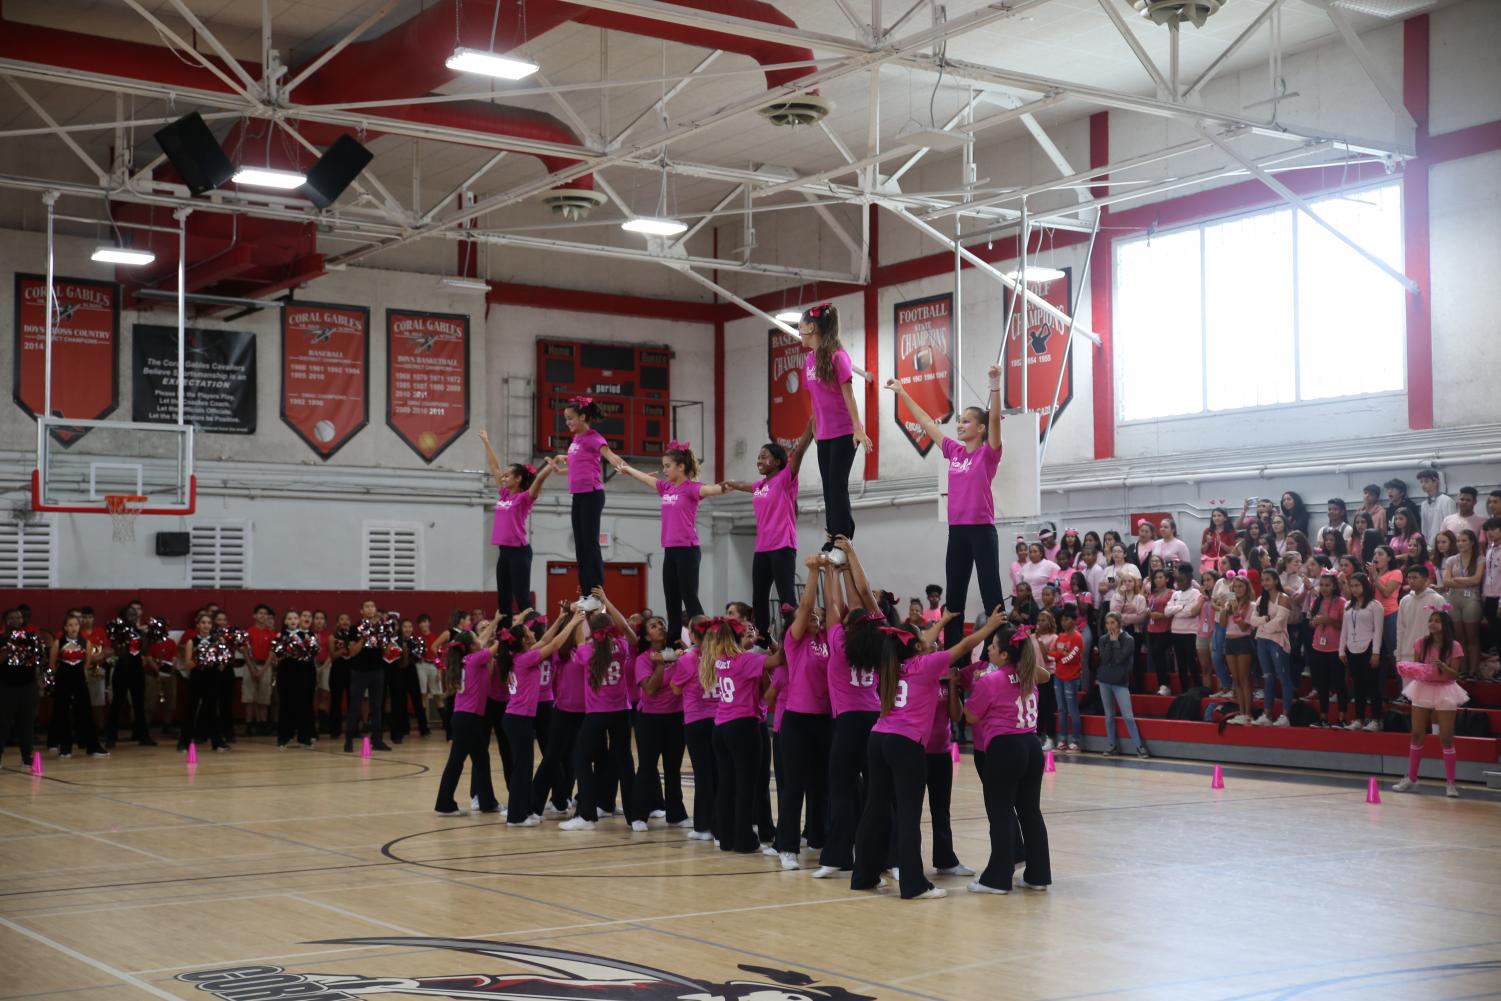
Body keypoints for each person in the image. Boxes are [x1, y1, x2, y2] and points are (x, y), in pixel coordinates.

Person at [849, 605, 1007, 900]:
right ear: (918, 646)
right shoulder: (926, 666)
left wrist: (942, 621)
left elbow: (913, 640)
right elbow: (964, 646)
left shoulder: (890, 663)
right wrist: (988, 628)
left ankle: (863, 876)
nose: (927, 638)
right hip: (906, 745)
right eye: (922, 637)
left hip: (878, 739)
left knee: (874, 810)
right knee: (909, 816)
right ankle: (914, 885)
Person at [887, 367, 1005, 650]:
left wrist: (994, 384)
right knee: (954, 599)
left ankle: (1000, 651)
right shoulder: (954, 451)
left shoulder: (988, 453)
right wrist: (903, 392)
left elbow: (996, 423)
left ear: (980, 428)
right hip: (958, 532)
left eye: (966, 421)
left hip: (982, 531)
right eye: (959, 421)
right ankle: (954, 657)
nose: (960, 425)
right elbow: (927, 423)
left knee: (992, 595)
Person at [811, 537, 881, 879]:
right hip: (877, 719)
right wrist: (851, 554)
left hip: (849, 722)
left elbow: (837, 601)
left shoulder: (838, 643)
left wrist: (830, 570)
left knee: (841, 788)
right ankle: (889, 857)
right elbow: (863, 594)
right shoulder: (880, 641)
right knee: (880, 791)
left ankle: (837, 855)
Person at [964, 628, 1053, 895]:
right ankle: (1038, 876)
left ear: (1004, 653)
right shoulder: (1029, 675)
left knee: (1000, 814)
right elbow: (1044, 675)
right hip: (1031, 746)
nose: (988, 650)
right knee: (1031, 813)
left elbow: (970, 716)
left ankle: (996, 879)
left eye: (992, 646)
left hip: (1005, 748)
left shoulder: (990, 681)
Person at [613, 442, 727, 641]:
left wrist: (724, 488)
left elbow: (709, 490)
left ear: (681, 467)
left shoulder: (691, 488)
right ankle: (674, 641)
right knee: (671, 600)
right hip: (670, 550)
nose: (664, 470)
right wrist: (628, 470)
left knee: (689, 597)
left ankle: (705, 640)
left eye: (667, 466)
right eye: (663, 466)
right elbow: (646, 479)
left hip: (688, 550)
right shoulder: (666, 488)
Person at [721, 423, 813, 639]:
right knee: (759, 598)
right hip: (762, 548)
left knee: (787, 600)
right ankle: (762, 641)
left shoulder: (785, 479)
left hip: (783, 546)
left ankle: (793, 640)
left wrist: (809, 426)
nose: (759, 461)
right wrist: (731, 484)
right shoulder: (760, 486)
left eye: (764, 457)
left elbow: (798, 453)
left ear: (778, 461)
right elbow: (747, 485)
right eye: (758, 457)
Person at [560, 589, 640, 831]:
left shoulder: (587, 649)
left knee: (581, 758)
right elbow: (626, 628)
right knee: (625, 762)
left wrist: (577, 617)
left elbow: (577, 641)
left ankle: (586, 815)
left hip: (596, 714)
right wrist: (607, 600)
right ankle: (635, 818)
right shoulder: (621, 645)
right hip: (621, 713)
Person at [773, 555, 833, 868]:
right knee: (794, 784)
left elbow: (831, 610)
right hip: (796, 720)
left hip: (825, 720)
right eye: (812, 618)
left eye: (819, 619)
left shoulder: (826, 639)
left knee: (821, 784)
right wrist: (813, 574)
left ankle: (819, 838)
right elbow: (808, 606)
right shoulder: (794, 641)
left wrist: (834, 572)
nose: (817, 621)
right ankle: (787, 847)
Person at [798, 304, 871, 549]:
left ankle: (843, 536)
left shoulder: (837, 356)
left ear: (811, 327)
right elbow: (814, 399)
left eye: (801, 326)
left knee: (837, 484)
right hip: (825, 433)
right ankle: (832, 536)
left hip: (844, 431)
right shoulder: (809, 360)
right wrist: (816, 426)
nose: (799, 331)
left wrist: (858, 428)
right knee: (828, 485)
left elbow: (848, 395)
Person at [501, 610, 579, 826]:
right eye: (528, 631)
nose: (533, 633)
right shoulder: (525, 659)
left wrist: (562, 617)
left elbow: (546, 639)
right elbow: (553, 645)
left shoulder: (520, 655)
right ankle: (516, 817)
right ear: (525, 640)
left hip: (518, 718)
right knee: (522, 768)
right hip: (518, 719)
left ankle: (525, 811)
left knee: (524, 767)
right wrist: (573, 623)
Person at [480, 430, 559, 618]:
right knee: (504, 601)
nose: (504, 478)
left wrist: (549, 467)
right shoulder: (504, 494)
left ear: (518, 479)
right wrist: (486, 441)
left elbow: (538, 480)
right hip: (504, 552)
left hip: (519, 552)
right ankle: (505, 639)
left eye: (508, 476)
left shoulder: (524, 498)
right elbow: (495, 467)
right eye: (504, 476)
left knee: (522, 599)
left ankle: (534, 632)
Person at [434, 613, 507, 817]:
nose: (480, 639)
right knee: (457, 761)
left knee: (481, 759)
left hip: (466, 717)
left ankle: (487, 802)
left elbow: (482, 639)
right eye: (476, 639)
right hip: (468, 718)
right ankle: (444, 804)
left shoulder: (468, 658)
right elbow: (497, 644)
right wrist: (512, 627)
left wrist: (495, 620)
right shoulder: (477, 659)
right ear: (471, 646)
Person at [553, 396, 623, 597]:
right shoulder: (576, 439)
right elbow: (580, 464)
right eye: (565, 419)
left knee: (590, 543)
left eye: (570, 418)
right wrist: (561, 469)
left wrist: (622, 465)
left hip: (592, 495)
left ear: (583, 417)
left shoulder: (594, 438)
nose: (567, 423)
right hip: (579, 495)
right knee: (581, 544)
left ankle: (595, 590)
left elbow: (609, 455)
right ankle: (585, 589)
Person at [1393, 610, 1467, 797]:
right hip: (1423, 687)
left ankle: (1450, 783)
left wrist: (1443, 666)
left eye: (1437, 621)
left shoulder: (1454, 646)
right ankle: (1411, 777)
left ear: (1445, 625)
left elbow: (1456, 675)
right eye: (1430, 620)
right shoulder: (1421, 643)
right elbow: (1418, 669)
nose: (1432, 624)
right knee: (1417, 734)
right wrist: (1408, 669)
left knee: (1446, 737)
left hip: (1446, 689)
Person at [630, 616, 691, 832]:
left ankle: (676, 814)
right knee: (647, 768)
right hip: (650, 719)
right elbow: (649, 689)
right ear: (647, 636)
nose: (661, 628)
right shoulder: (644, 659)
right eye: (654, 626)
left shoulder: (676, 654)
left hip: (676, 717)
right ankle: (639, 815)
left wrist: (686, 651)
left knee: (673, 768)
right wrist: (658, 667)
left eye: (662, 624)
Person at [49, 612, 105, 758]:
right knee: (62, 713)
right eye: (70, 625)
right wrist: (61, 675)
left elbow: (87, 663)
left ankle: (93, 747)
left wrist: (80, 672)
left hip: (79, 679)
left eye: (76, 625)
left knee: (86, 711)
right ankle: (65, 747)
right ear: (65, 627)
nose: (73, 628)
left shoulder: (85, 642)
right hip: (63, 680)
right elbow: (52, 663)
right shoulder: (58, 642)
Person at [1096, 612, 1149, 757]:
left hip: (1120, 682)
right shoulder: (1102, 639)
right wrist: (1111, 642)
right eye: (1107, 623)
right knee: (1109, 715)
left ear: (1119, 624)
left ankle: (1139, 747)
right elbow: (1105, 658)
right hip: (1105, 680)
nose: (1109, 626)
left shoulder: (1128, 639)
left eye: (1112, 623)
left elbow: (1119, 659)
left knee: (1128, 716)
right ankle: (1112, 745)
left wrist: (1115, 642)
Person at [344, 600, 393, 754]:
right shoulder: (355, 628)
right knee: (354, 706)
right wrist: (364, 638)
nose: (370, 609)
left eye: (372, 606)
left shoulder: (381, 628)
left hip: (377, 671)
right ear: (361, 610)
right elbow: (352, 652)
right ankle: (349, 740)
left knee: (377, 707)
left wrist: (388, 643)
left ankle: (377, 740)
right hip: (359, 672)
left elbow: (385, 652)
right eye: (367, 606)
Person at [1248, 571, 1294, 726]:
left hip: (1278, 641)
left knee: (1284, 677)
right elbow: (1252, 621)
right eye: (1263, 580)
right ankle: (1267, 714)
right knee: (1268, 677)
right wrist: (1265, 620)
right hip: (1262, 641)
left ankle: (1285, 716)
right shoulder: (1261, 599)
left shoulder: (1284, 598)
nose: (1265, 583)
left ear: (1275, 580)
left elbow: (1279, 623)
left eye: (1268, 579)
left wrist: (1263, 625)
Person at [1340, 574, 1384, 731]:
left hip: (1369, 648)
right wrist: (1341, 650)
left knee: (1372, 685)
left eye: (1357, 585)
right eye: (1351, 586)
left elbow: (1378, 631)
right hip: (1352, 649)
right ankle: (1359, 718)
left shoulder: (1375, 605)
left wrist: (1376, 652)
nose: (1354, 589)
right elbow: (1344, 629)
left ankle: (1376, 719)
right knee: (1357, 686)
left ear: (1365, 586)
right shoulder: (1347, 606)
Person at [180, 612, 228, 752]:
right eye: (203, 622)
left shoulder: (218, 641)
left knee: (213, 711)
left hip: (212, 678)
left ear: (212, 625)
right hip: (196, 679)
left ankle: (217, 742)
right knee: (191, 710)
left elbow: (221, 666)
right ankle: (184, 742)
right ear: (198, 625)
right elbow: (188, 664)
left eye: (208, 623)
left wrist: (218, 658)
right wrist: (202, 656)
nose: (206, 625)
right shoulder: (192, 641)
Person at [272, 609, 318, 750]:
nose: (292, 621)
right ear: (285, 621)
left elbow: (312, 654)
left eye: (295, 618)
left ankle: (304, 738)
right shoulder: (280, 636)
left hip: (302, 674)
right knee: (286, 705)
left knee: (303, 705)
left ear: (299, 621)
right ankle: (284, 738)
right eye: (289, 618)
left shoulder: (306, 635)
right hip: (286, 674)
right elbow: (277, 655)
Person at [1395, 565, 1449, 681]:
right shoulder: (1404, 601)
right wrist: (1399, 655)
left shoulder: (1437, 599)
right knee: (1409, 693)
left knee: (1427, 693)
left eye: (1415, 578)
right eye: (1409, 578)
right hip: (1408, 652)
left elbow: (1445, 628)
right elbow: (1400, 629)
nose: (1411, 581)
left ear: (1426, 579)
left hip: (1430, 654)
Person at [1306, 572, 1346, 725]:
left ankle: (1342, 718)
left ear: (1335, 586)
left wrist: (1328, 620)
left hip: (1335, 648)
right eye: (1321, 585)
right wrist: (1315, 622)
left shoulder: (1342, 602)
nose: (1323, 588)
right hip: (1318, 647)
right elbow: (1310, 622)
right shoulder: (1317, 601)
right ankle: (1323, 717)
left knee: (1339, 683)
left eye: (1327, 585)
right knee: (1322, 683)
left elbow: (1344, 625)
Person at [1221, 573, 1257, 725]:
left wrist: (1236, 612)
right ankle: (1241, 712)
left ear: (1246, 588)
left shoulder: (1252, 605)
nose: (1237, 589)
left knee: (1244, 678)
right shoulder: (1231, 603)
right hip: (1229, 641)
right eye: (1235, 587)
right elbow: (1223, 624)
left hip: (1243, 641)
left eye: (1240, 586)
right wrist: (1225, 608)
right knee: (1236, 680)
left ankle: (1248, 713)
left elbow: (1243, 627)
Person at [1050, 607, 1085, 752]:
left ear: (1074, 620)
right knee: (1061, 709)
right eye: (1062, 619)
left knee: (1072, 709)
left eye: (1067, 619)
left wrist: (1059, 656)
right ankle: (1063, 739)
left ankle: (1075, 741)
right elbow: (1051, 654)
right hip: (1058, 677)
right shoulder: (1060, 637)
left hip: (1071, 678)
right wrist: (1060, 655)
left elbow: (1072, 657)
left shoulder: (1077, 637)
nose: (1064, 622)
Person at [1165, 564, 1202, 696]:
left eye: (1182, 580)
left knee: (1191, 661)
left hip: (1190, 632)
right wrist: (1180, 607)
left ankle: (1197, 688)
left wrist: (1177, 610)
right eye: (1177, 581)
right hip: (1176, 631)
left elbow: (1191, 612)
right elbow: (1166, 611)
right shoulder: (1175, 594)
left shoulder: (1196, 593)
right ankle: (1184, 690)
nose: (1179, 583)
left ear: (1189, 580)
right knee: (1180, 663)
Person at [243, 604, 276, 737]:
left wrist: (262, 670)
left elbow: (271, 653)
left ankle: (262, 725)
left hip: (265, 667)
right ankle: (249, 725)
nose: (263, 616)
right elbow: (245, 651)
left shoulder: (271, 633)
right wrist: (252, 669)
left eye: (265, 614)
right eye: (260, 613)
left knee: (263, 698)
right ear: (254, 616)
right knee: (249, 698)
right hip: (251, 665)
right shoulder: (249, 632)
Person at [1143, 568, 1174, 696]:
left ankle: (1165, 684)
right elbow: (1149, 607)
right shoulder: (1153, 593)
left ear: (1167, 579)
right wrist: (1147, 612)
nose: (1157, 580)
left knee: (1158, 652)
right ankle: (1162, 684)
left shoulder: (1171, 593)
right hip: (1151, 628)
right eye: (1155, 578)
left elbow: (1174, 611)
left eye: (1161, 577)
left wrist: (1161, 615)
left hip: (1165, 628)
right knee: (1155, 656)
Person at [1415, 467, 1455, 543]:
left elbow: (1450, 527)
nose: (1423, 484)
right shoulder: (1424, 504)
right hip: (1429, 545)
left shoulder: (1447, 501)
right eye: (1421, 482)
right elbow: (1424, 528)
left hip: (1444, 543)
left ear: (1436, 482)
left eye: (1426, 481)